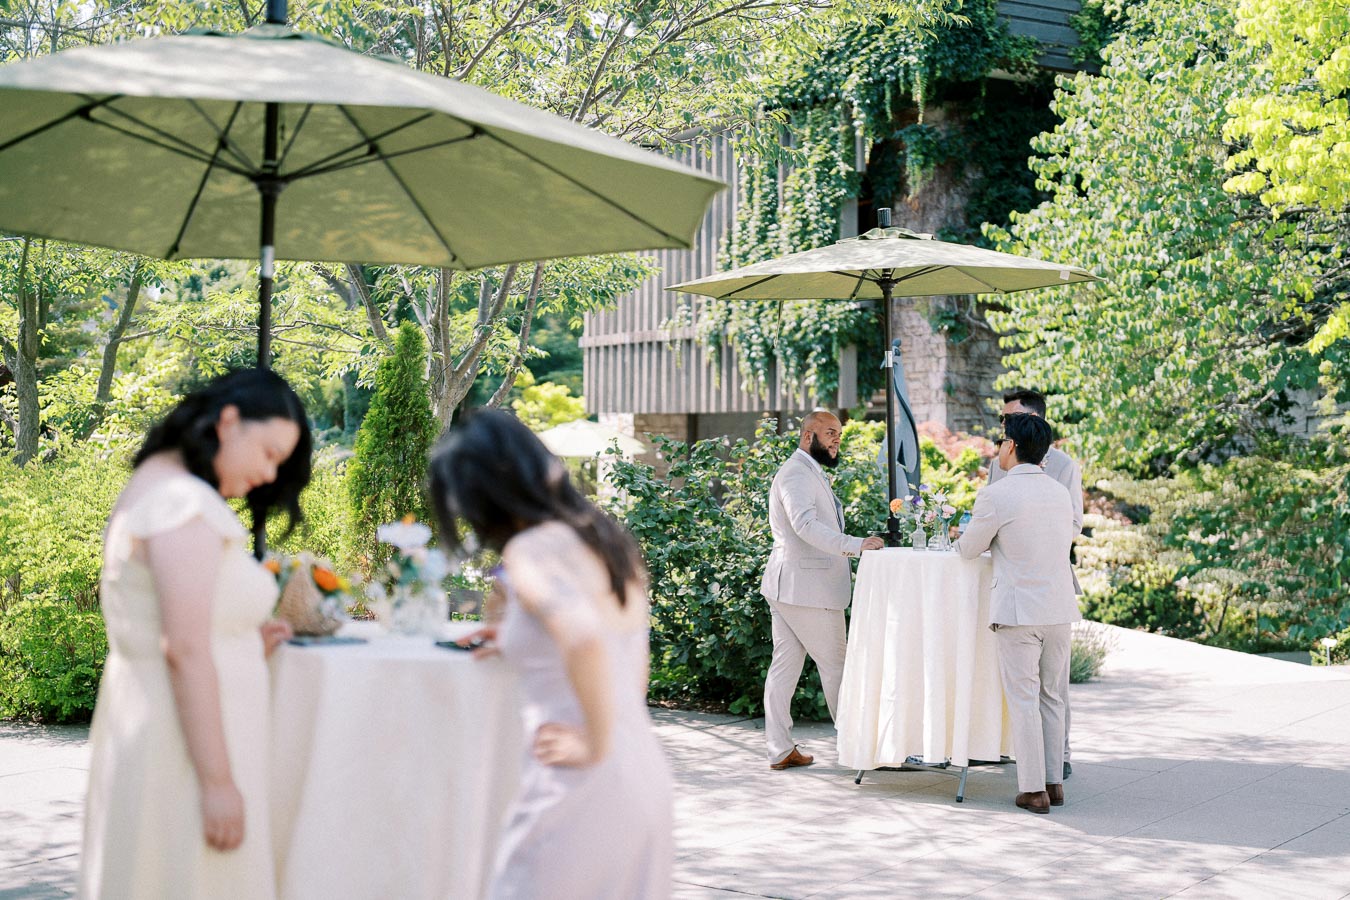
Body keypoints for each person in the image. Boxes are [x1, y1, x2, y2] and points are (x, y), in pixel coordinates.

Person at [78, 368, 311, 899]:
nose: (270, 474)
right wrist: (218, 784)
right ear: (229, 422)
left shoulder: (162, 489)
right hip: (186, 753)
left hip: (167, 731)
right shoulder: (181, 502)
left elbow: (176, 627)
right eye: (269, 453)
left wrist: (242, 642)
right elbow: (182, 649)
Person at [429, 409, 673, 899]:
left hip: (577, 781)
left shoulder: (531, 550)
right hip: (642, 771)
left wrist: (592, 744)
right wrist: (520, 636)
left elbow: (582, 637)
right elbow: (625, 655)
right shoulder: (605, 538)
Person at [957, 413, 1080, 814]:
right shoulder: (1059, 492)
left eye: (1000, 442)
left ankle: (1032, 790)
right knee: (1051, 697)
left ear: (1011, 446)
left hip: (1019, 611)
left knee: (1024, 700)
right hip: (1060, 608)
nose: (997, 450)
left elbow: (968, 550)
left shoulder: (997, 495)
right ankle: (1053, 783)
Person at [760, 410, 885, 770]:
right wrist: (855, 543)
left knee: (784, 667)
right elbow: (805, 525)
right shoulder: (796, 473)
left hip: (791, 587)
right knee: (837, 667)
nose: (836, 440)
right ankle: (857, 747)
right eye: (830, 433)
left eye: (839, 435)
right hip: (806, 590)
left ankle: (780, 749)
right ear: (807, 436)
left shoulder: (807, 471)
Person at [989, 387, 1083, 778]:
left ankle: (1056, 760)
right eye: (1004, 421)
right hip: (1029, 589)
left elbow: (1074, 524)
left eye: (1011, 420)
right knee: (1033, 690)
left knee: (1051, 687)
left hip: (1045, 581)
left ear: (1035, 421)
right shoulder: (1001, 461)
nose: (1005, 429)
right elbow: (995, 508)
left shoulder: (1065, 467)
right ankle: (1035, 765)